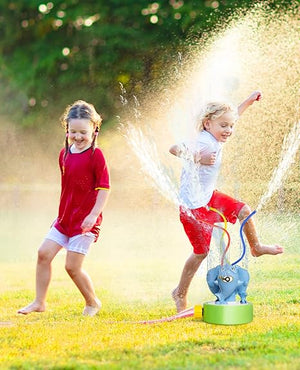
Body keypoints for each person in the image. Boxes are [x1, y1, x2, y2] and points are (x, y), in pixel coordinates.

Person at [169, 91, 283, 313]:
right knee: (200, 252)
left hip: (210, 197)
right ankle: (180, 292)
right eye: (224, 126)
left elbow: (234, 116)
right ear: (207, 123)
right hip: (193, 207)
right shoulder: (202, 141)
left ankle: (256, 247)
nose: (229, 130)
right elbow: (174, 149)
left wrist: (248, 102)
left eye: (230, 126)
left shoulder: (215, 134)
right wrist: (198, 158)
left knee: (244, 211)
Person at [18, 100, 110, 316]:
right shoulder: (64, 154)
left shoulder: (96, 155)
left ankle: (92, 302)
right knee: (43, 254)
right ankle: (39, 302)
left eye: (83, 132)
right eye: (73, 132)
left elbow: (104, 188)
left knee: (72, 267)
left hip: (86, 222)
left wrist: (93, 215)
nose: (78, 137)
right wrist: (63, 215)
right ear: (67, 129)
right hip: (64, 219)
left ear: (94, 130)